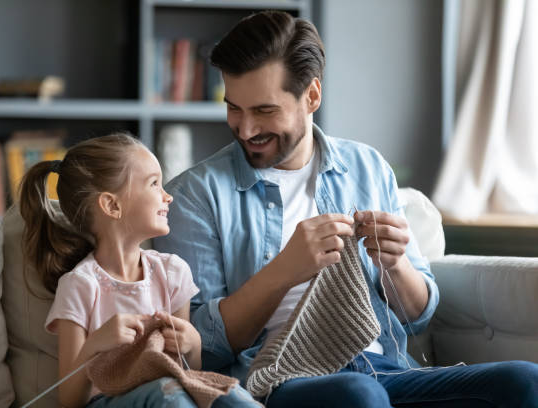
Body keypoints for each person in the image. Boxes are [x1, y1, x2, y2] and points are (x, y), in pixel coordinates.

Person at [153, 11, 538, 408]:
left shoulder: (366, 167)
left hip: (385, 368)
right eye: (234, 108)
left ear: (312, 96)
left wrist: (397, 264)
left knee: (524, 380)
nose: (246, 129)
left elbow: (417, 315)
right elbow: (201, 348)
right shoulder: (196, 194)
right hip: (281, 379)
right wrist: (285, 270)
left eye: (265, 111)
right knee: (358, 394)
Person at [19, 133, 261, 408]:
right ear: (112, 205)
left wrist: (191, 343)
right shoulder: (80, 285)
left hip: (170, 393)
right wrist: (96, 344)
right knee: (168, 393)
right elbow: (71, 400)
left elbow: (187, 374)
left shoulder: (172, 272)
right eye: (154, 184)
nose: (167, 196)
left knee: (230, 396)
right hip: (109, 402)